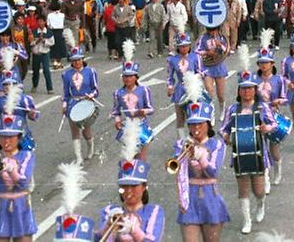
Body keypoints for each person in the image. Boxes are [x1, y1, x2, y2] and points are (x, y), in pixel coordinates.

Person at [219, 69, 277, 234]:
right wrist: (226, 137)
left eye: (250, 88)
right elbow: (223, 128)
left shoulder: (262, 107)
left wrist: (267, 128)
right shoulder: (232, 109)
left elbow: (274, 124)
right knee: (243, 190)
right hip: (239, 156)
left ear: (255, 90)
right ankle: (247, 220)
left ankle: (261, 204)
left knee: (259, 191)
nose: (247, 91)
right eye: (243, 88)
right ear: (239, 90)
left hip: (259, 154)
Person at [174, 99, 229, 242]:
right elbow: (177, 172)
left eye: (200, 123)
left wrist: (200, 157)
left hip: (210, 196)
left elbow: (213, 172)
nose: (195, 127)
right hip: (189, 198)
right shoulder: (181, 144)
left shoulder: (216, 144)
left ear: (208, 124)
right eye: (192, 124)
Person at [0, 115, 37, 241]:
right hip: (2, 207)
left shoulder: (27, 155)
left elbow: (24, 182)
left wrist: (10, 170)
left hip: (22, 207)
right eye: (3, 137)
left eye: (11, 137)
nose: (6, 141)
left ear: (19, 138)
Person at [96, 159, 165, 241]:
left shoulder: (154, 211)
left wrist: (133, 229)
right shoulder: (109, 210)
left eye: (134, 186)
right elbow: (98, 239)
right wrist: (107, 226)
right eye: (124, 186)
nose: (129, 190)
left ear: (143, 187)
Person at [111, 47, 154, 161]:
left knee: (141, 157)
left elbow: (151, 109)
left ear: (136, 77)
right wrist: (118, 121)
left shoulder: (144, 90)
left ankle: (142, 178)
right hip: (127, 127)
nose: (127, 79)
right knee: (129, 157)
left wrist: (142, 111)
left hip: (141, 126)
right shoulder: (118, 93)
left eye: (130, 76)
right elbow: (116, 111)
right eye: (125, 76)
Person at [255, 42, 288, 191]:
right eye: (261, 63)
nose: (263, 65)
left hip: (273, 115)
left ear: (272, 63)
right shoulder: (254, 80)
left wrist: (277, 101)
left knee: (274, 149)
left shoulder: (279, 79)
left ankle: (277, 170)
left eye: (266, 62)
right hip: (257, 115)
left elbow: (285, 98)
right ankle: (266, 178)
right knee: (261, 148)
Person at [61, 46, 100, 163]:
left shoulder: (91, 72)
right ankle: (78, 156)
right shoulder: (66, 74)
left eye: (78, 59)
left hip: (86, 103)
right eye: (74, 60)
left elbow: (96, 90)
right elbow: (66, 93)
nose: (76, 62)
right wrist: (64, 105)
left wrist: (91, 95)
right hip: (73, 103)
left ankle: (90, 147)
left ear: (83, 59)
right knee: (74, 130)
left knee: (86, 130)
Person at [166, 33, 204, 141]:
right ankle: (181, 141)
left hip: (193, 89)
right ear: (178, 46)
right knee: (180, 117)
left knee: (193, 115)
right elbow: (169, 76)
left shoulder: (196, 56)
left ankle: (195, 138)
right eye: (182, 46)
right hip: (180, 90)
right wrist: (169, 86)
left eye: (186, 45)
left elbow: (201, 72)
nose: (184, 48)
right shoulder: (172, 59)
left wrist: (195, 79)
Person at [195, 26, 230, 118]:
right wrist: (207, 52)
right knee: (209, 90)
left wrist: (220, 45)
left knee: (221, 95)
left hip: (219, 67)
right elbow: (197, 51)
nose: (211, 32)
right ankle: (211, 112)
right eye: (209, 30)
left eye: (214, 30)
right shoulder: (203, 37)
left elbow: (227, 50)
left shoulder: (222, 37)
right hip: (207, 67)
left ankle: (222, 109)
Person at [0, 29, 28, 96]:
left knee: (16, 100)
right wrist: (1, 61)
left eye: (7, 36)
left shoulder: (16, 45)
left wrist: (17, 52)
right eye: (3, 36)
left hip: (14, 75)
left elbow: (25, 56)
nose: (5, 38)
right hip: (1, 76)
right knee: (2, 102)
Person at [29, 15, 54, 94]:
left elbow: (52, 42)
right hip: (36, 53)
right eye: (39, 21)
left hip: (45, 53)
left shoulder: (49, 32)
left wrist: (44, 41)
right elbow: (31, 43)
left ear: (45, 22)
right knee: (35, 71)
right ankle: (34, 85)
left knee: (46, 70)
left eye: (42, 21)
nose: (40, 23)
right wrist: (37, 41)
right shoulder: (34, 31)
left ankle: (49, 88)